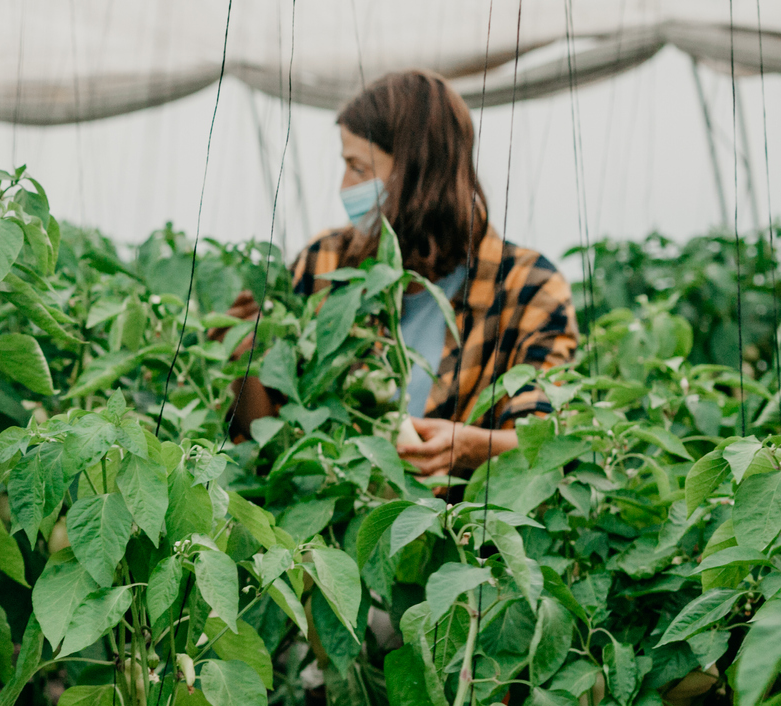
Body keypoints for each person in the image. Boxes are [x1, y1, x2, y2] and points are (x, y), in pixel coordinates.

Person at [230, 70, 578, 475]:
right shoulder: (323, 263)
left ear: (421, 175)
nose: (345, 185)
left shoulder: (528, 288)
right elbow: (270, 434)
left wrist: (471, 449)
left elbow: (545, 436)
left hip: (458, 528)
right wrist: (244, 358)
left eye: (359, 169)